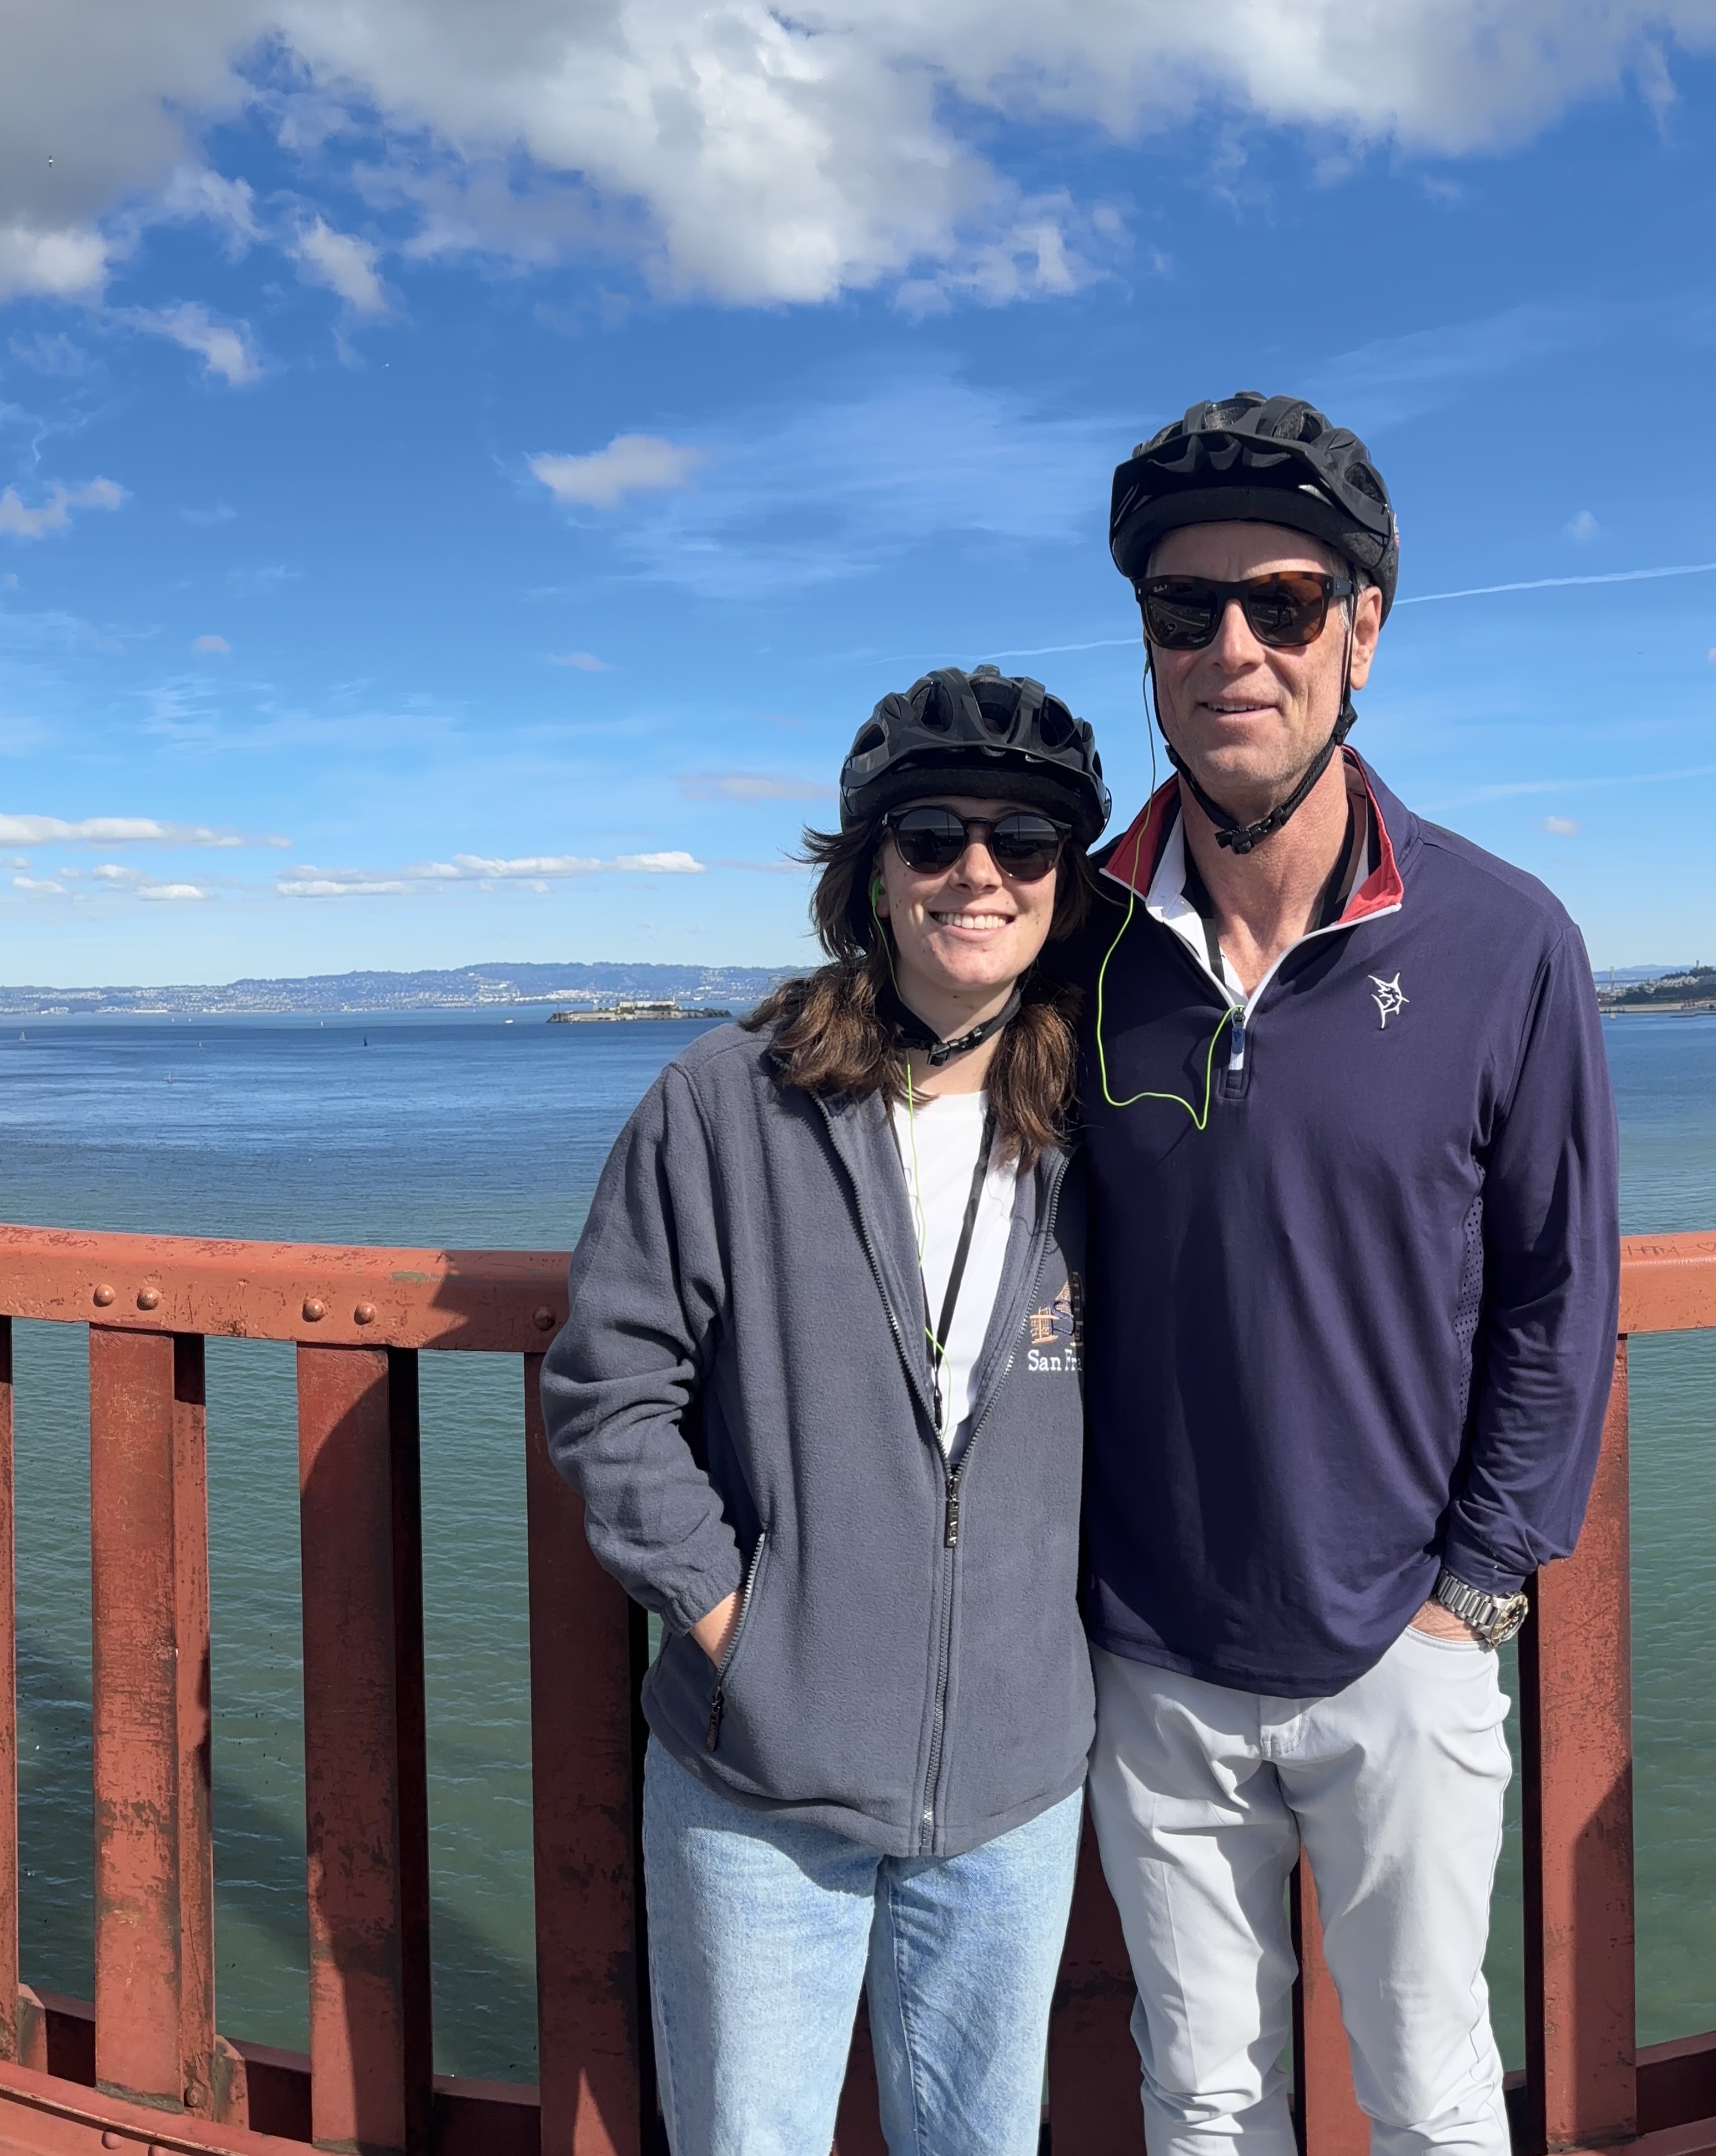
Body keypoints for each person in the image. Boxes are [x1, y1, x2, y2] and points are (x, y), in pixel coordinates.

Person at [1072, 393, 1621, 2156]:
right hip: (1144, 1645)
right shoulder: (1071, 941)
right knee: (1202, 2094)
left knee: (1432, 2086)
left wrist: (1477, 1587)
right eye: (1183, 606)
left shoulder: (1500, 938)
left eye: (1284, 601)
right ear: (1144, 641)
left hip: (1406, 1636)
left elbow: (1558, 1281)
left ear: (1363, 628)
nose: (1231, 643)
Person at [544, 666, 1113, 2156]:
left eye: (1024, 843)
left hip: (1016, 1784)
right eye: (931, 835)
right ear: (866, 871)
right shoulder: (725, 1099)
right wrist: (738, 1625)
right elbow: (611, 1388)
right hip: (759, 1781)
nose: (976, 872)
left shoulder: (1102, 1124)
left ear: (1064, 879)